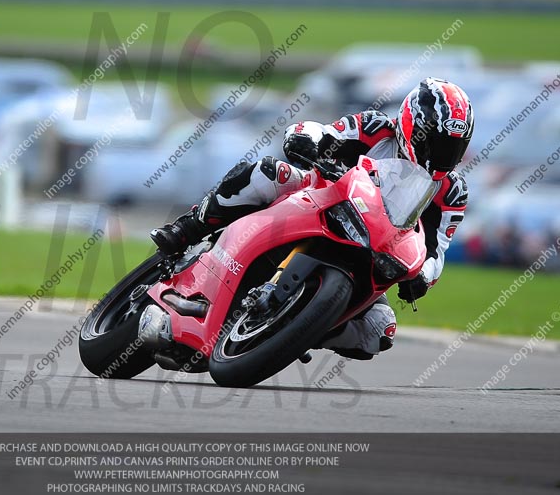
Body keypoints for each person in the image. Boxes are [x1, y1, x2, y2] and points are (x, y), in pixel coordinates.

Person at [151, 78, 473, 360]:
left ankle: (295, 328)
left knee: (379, 330)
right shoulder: (376, 129)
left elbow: (436, 249)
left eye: (452, 147)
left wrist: (422, 276)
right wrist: (305, 137)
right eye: (436, 141)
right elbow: (325, 132)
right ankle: (188, 228)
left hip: (375, 250)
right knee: (266, 173)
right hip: (319, 197)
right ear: (411, 124)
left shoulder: (452, 192)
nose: (441, 154)